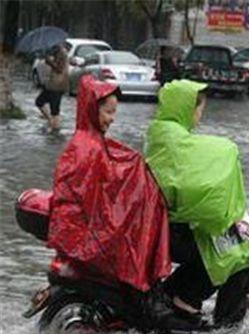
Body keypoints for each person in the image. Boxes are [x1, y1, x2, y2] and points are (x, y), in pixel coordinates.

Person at [145, 79, 249, 327]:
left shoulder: (164, 133)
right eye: (199, 109)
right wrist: (227, 151)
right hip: (173, 230)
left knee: (231, 242)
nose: (200, 115)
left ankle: (183, 295)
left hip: (169, 225)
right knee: (239, 249)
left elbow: (183, 178)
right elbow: (182, 178)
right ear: (186, 108)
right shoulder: (171, 138)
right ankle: (201, 307)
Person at [47, 74, 171, 297]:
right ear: (92, 109)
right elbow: (91, 198)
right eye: (108, 112)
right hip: (88, 236)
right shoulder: (87, 147)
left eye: (114, 113)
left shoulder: (88, 141)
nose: (112, 119)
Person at [35, 44, 69, 133]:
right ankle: (51, 122)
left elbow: (60, 69)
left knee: (55, 110)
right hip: (52, 85)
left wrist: (50, 62)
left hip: (57, 86)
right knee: (39, 102)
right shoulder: (57, 52)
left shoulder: (62, 53)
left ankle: (55, 131)